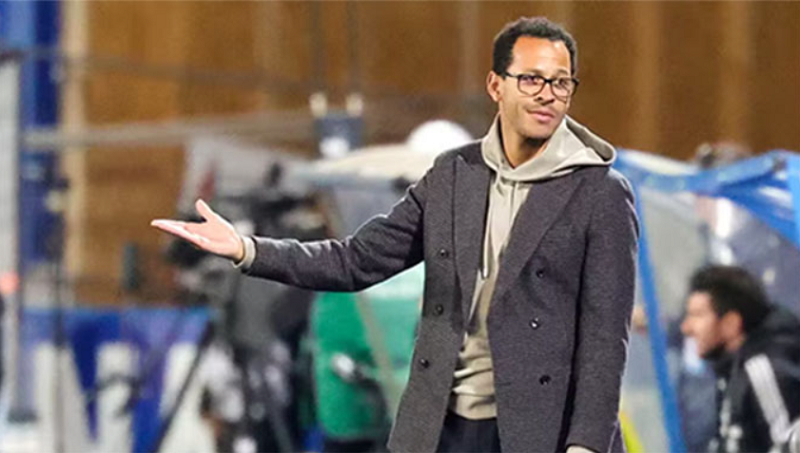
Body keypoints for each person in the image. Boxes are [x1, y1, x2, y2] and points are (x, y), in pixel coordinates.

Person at [153, 17, 639, 453]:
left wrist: (586, 444)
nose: (547, 94)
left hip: (541, 431)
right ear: (496, 85)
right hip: (443, 428)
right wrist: (247, 249)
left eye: (561, 82)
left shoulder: (600, 193)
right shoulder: (453, 177)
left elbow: (605, 337)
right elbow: (355, 261)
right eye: (531, 78)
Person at [681, 265, 800, 453]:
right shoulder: (732, 374)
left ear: (731, 323)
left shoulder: (762, 370)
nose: (686, 328)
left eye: (698, 315)